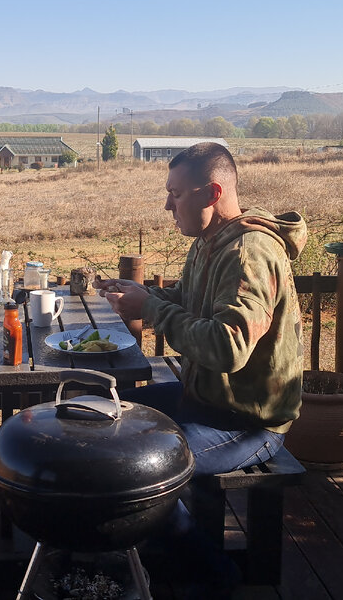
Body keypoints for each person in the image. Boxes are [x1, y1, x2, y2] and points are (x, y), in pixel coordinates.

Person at [95, 141, 306, 594]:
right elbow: (191, 305)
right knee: (101, 413)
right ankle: (154, 558)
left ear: (210, 193)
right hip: (202, 397)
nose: (167, 204)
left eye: (175, 192)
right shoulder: (211, 240)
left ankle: (217, 579)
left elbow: (229, 348)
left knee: (134, 475)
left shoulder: (249, 254)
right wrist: (140, 295)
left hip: (248, 420)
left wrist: (151, 309)